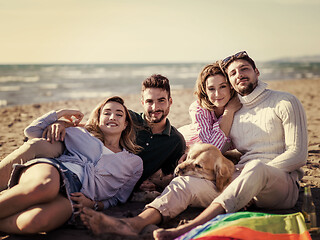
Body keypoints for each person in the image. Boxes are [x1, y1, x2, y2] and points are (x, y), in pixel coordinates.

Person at [80, 51, 308, 240]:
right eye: (233, 73)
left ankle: (186, 229)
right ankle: (134, 223)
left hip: (280, 186)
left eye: (245, 69)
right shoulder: (236, 113)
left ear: (256, 72)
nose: (239, 75)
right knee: (184, 183)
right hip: (240, 184)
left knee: (255, 168)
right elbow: (225, 147)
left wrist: (248, 175)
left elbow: (297, 155)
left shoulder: (284, 101)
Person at [0, 74, 186, 193]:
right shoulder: (127, 117)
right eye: (150, 101)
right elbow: (91, 127)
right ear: (142, 102)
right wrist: (61, 122)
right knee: (33, 146)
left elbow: (168, 176)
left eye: (161, 101)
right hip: (80, 153)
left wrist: (150, 182)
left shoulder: (176, 141)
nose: (155, 107)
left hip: (100, 180)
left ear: (170, 101)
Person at [0, 96, 143, 234]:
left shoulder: (134, 163)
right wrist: (61, 114)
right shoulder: (82, 134)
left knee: (37, 221)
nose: (112, 117)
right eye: (107, 113)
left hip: (75, 195)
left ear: (125, 124)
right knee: (45, 185)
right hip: (57, 169)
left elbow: (118, 198)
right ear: (98, 120)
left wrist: (93, 204)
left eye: (119, 114)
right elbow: (32, 132)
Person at [178, 61, 241, 152]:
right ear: (205, 90)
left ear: (230, 86)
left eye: (222, 86)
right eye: (211, 89)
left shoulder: (239, 105)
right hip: (182, 144)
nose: (217, 94)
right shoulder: (198, 109)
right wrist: (229, 111)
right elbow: (211, 149)